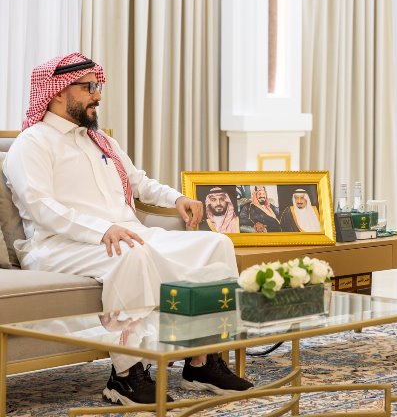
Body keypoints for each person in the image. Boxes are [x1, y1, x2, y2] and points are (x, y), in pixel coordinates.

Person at [3, 53, 253, 406]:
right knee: (130, 254)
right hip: (58, 245)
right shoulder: (32, 143)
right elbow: (41, 208)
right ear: (58, 91)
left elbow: (138, 182)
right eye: (89, 87)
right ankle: (125, 375)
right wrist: (102, 230)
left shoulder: (100, 140)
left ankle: (202, 361)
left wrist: (176, 198)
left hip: (123, 234)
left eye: (98, 86)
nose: (98, 95)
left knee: (215, 245)